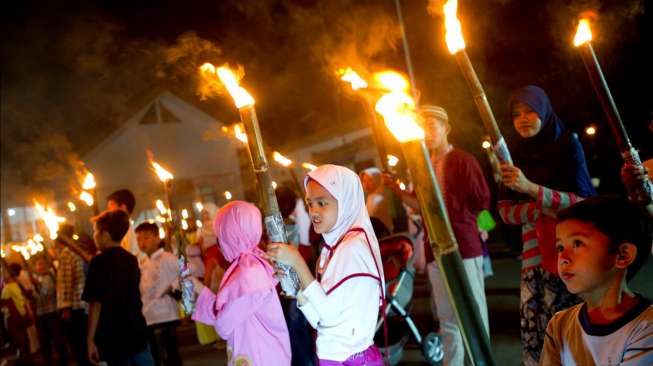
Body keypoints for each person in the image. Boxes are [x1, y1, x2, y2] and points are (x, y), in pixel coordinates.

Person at [497, 85, 597, 365]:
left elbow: (582, 202)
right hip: (533, 263)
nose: (523, 118)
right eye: (516, 114)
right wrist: (546, 207)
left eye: (530, 111)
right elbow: (505, 212)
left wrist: (529, 187)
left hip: (570, 259)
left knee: (572, 338)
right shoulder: (511, 155)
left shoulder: (566, 145)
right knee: (535, 335)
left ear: (544, 111)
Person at [386, 105, 491, 365]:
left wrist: (485, 229)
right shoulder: (424, 166)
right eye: (423, 127)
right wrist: (396, 190)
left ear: (447, 128)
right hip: (435, 250)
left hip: (464, 247)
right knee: (447, 317)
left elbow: (484, 201)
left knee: (474, 314)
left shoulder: (463, 160)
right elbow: (421, 204)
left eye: (433, 125)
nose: (428, 132)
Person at [267, 164, 385, 365]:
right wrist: (296, 287)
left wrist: (297, 262)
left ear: (346, 201)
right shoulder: (333, 247)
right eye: (310, 203)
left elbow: (328, 315)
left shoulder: (353, 248)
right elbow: (319, 321)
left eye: (322, 203)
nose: (313, 211)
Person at [540, 196, 653, 365]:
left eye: (577, 243)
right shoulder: (559, 324)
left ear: (623, 255)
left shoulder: (646, 327)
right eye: (560, 247)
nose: (563, 257)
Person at [190, 200, 291, 366]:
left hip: (260, 358)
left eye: (221, 235)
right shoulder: (254, 264)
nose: (219, 242)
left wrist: (200, 290)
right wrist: (198, 287)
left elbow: (224, 324)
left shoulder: (248, 275)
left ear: (233, 236)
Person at [83, 210, 154, 365]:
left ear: (105, 235)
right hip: (137, 332)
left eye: (96, 232)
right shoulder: (131, 260)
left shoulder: (97, 263)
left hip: (113, 338)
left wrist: (90, 340)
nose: (94, 236)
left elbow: (95, 304)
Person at [276, 185, 317, 366]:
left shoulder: (302, 213)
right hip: (294, 279)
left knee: (297, 325)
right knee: (296, 326)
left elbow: (305, 248)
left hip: (302, 279)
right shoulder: (295, 212)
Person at [136, 222, 183, 366]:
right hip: (149, 316)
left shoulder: (167, 257)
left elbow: (185, 273)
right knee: (157, 356)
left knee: (169, 356)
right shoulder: (142, 262)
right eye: (138, 239)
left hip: (166, 315)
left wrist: (172, 288)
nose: (142, 242)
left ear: (157, 238)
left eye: (146, 238)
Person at [55, 224, 90, 366]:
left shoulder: (66, 254)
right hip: (81, 305)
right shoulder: (75, 251)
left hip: (75, 306)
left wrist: (66, 308)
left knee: (77, 343)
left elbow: (67, 281)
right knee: (82, 342)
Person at [33, 255, 67, 365]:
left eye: (41, 264)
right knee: (45, 340)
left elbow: (46, 294)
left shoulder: (47, 277)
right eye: (38, 264)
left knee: (56, 338)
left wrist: (35, 289)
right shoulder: (40, 278)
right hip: (43, 313)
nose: (39, 266)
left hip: (50, 312)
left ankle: (62, 360)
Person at [1, 263, 33, 362]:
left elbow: (22, 301)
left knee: (25, 343)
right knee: (22, 343)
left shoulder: (15, 286)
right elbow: (3, 304)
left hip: (20, 319)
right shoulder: (8, 288)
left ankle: (26, 361)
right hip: (13, 319)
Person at [107, 189, 141, 257]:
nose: (109, 211)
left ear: (123, 208)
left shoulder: (126, 230)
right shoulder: (125, 228)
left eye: (111, 206)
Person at [360, 167, 394, 234]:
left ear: (376, 179)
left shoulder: (380, 198)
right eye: (364, 181)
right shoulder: (369, 198)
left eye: (369, 180)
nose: (366, 184)